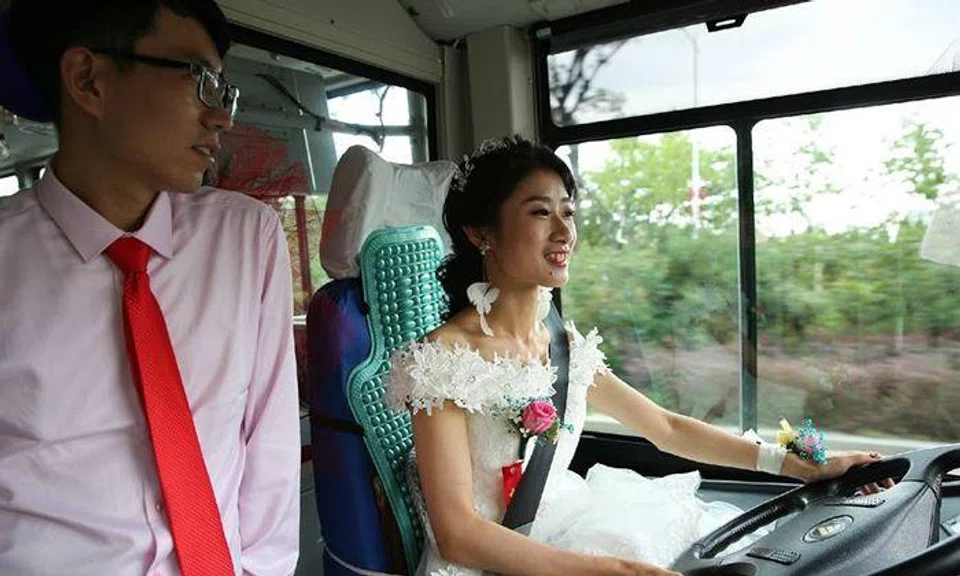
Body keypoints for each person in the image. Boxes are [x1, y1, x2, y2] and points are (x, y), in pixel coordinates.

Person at [387, 135, 892, 576]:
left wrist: (797, 466)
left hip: (565, 518)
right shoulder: (442, 359)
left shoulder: (562, 343)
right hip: (490, 559)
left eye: (569, 211)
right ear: (482, 233)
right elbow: (458, 534)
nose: (565, 232)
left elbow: (665, 429)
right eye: (540, 212)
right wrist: (610, 570)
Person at [0, 1, 300, 575]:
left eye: (225, 93)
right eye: (202, 82)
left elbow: (271, 446)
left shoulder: (245, 238)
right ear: (89, 80)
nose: (222, 118)